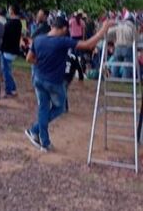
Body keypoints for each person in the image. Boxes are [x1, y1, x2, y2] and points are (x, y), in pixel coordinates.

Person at [25, 17, 113, 152]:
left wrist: (41, 64)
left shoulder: (38, 39)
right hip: (54, 81)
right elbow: (88, 45)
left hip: (38, 78)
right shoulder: (62, 41)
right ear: (65, 28)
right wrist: (103, 30)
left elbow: (29, 58)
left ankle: (43, 140)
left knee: (43, 108)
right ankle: (35, 130)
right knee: (59, 108)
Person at [0, 5, 22, 98]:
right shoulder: (18, 23)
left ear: (12, 11)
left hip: (7, 49)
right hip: (12, 49)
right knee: (7, 70)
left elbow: (3, 35)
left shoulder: (10, 23)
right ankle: (12, 88)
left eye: (9, 10)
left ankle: (9, 90)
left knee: (6, 71)